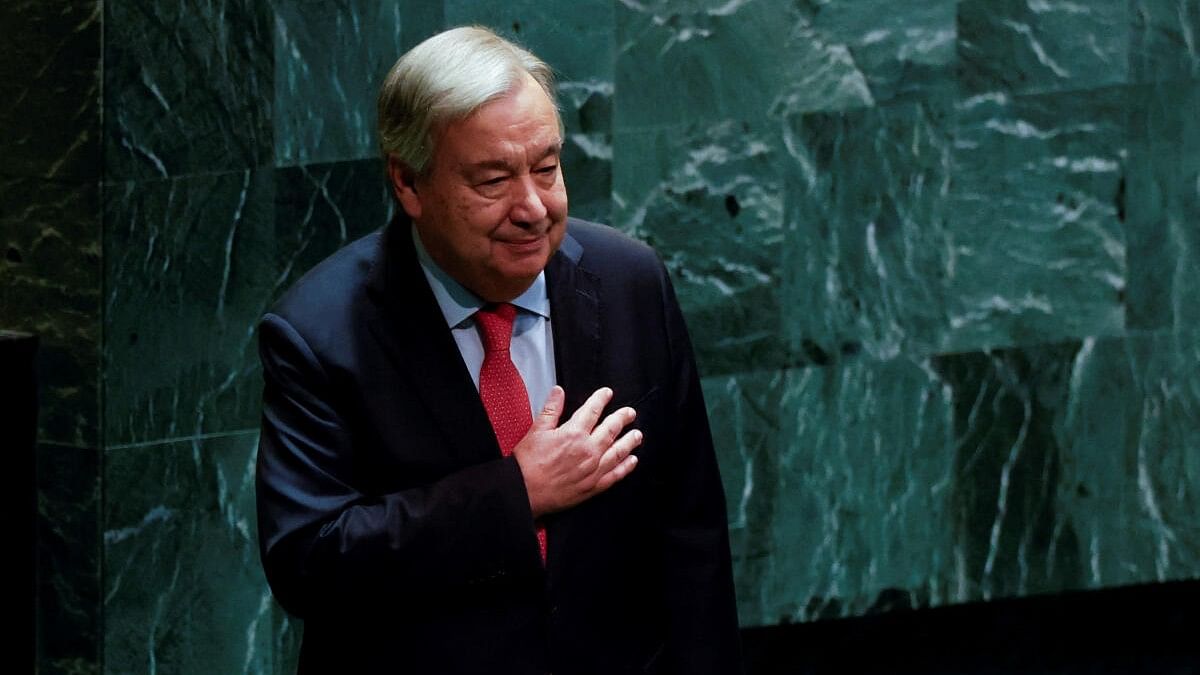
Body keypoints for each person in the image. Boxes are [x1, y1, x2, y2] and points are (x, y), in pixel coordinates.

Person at [255, 25, 742, 674]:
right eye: (493, 180)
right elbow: (309, 559)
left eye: (547, 168)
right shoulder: (318, 333)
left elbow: (693, 535)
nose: (534, 207)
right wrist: (516, 492)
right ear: (408, 183)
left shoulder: (631, 281)